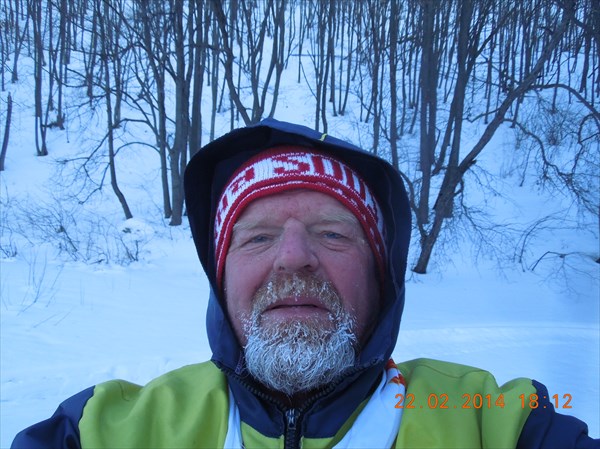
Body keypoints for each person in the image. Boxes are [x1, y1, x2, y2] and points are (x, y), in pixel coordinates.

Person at [12, 118, 599, 448]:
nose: (293, 259)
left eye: (333, 234)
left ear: (381, 277)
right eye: (258, 238)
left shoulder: (491, 420)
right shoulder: (112, 428)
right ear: (221, 278)